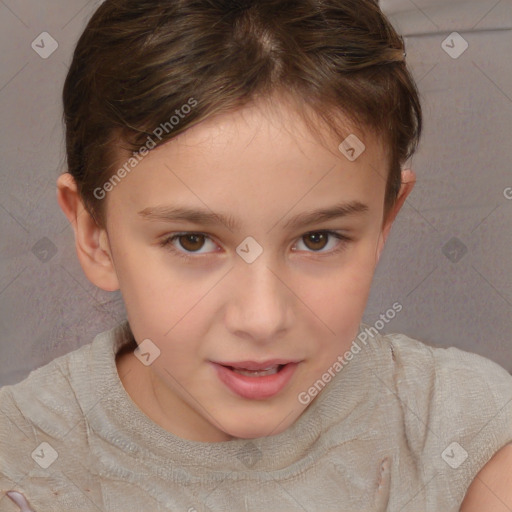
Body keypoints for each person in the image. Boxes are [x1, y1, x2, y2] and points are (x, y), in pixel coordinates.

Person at [1, 0, 511, 510]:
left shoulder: (464, 435)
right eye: (192, 241)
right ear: (96, 235)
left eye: (318, 239)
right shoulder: (21, 463)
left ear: (385, 219)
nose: (262, 319)